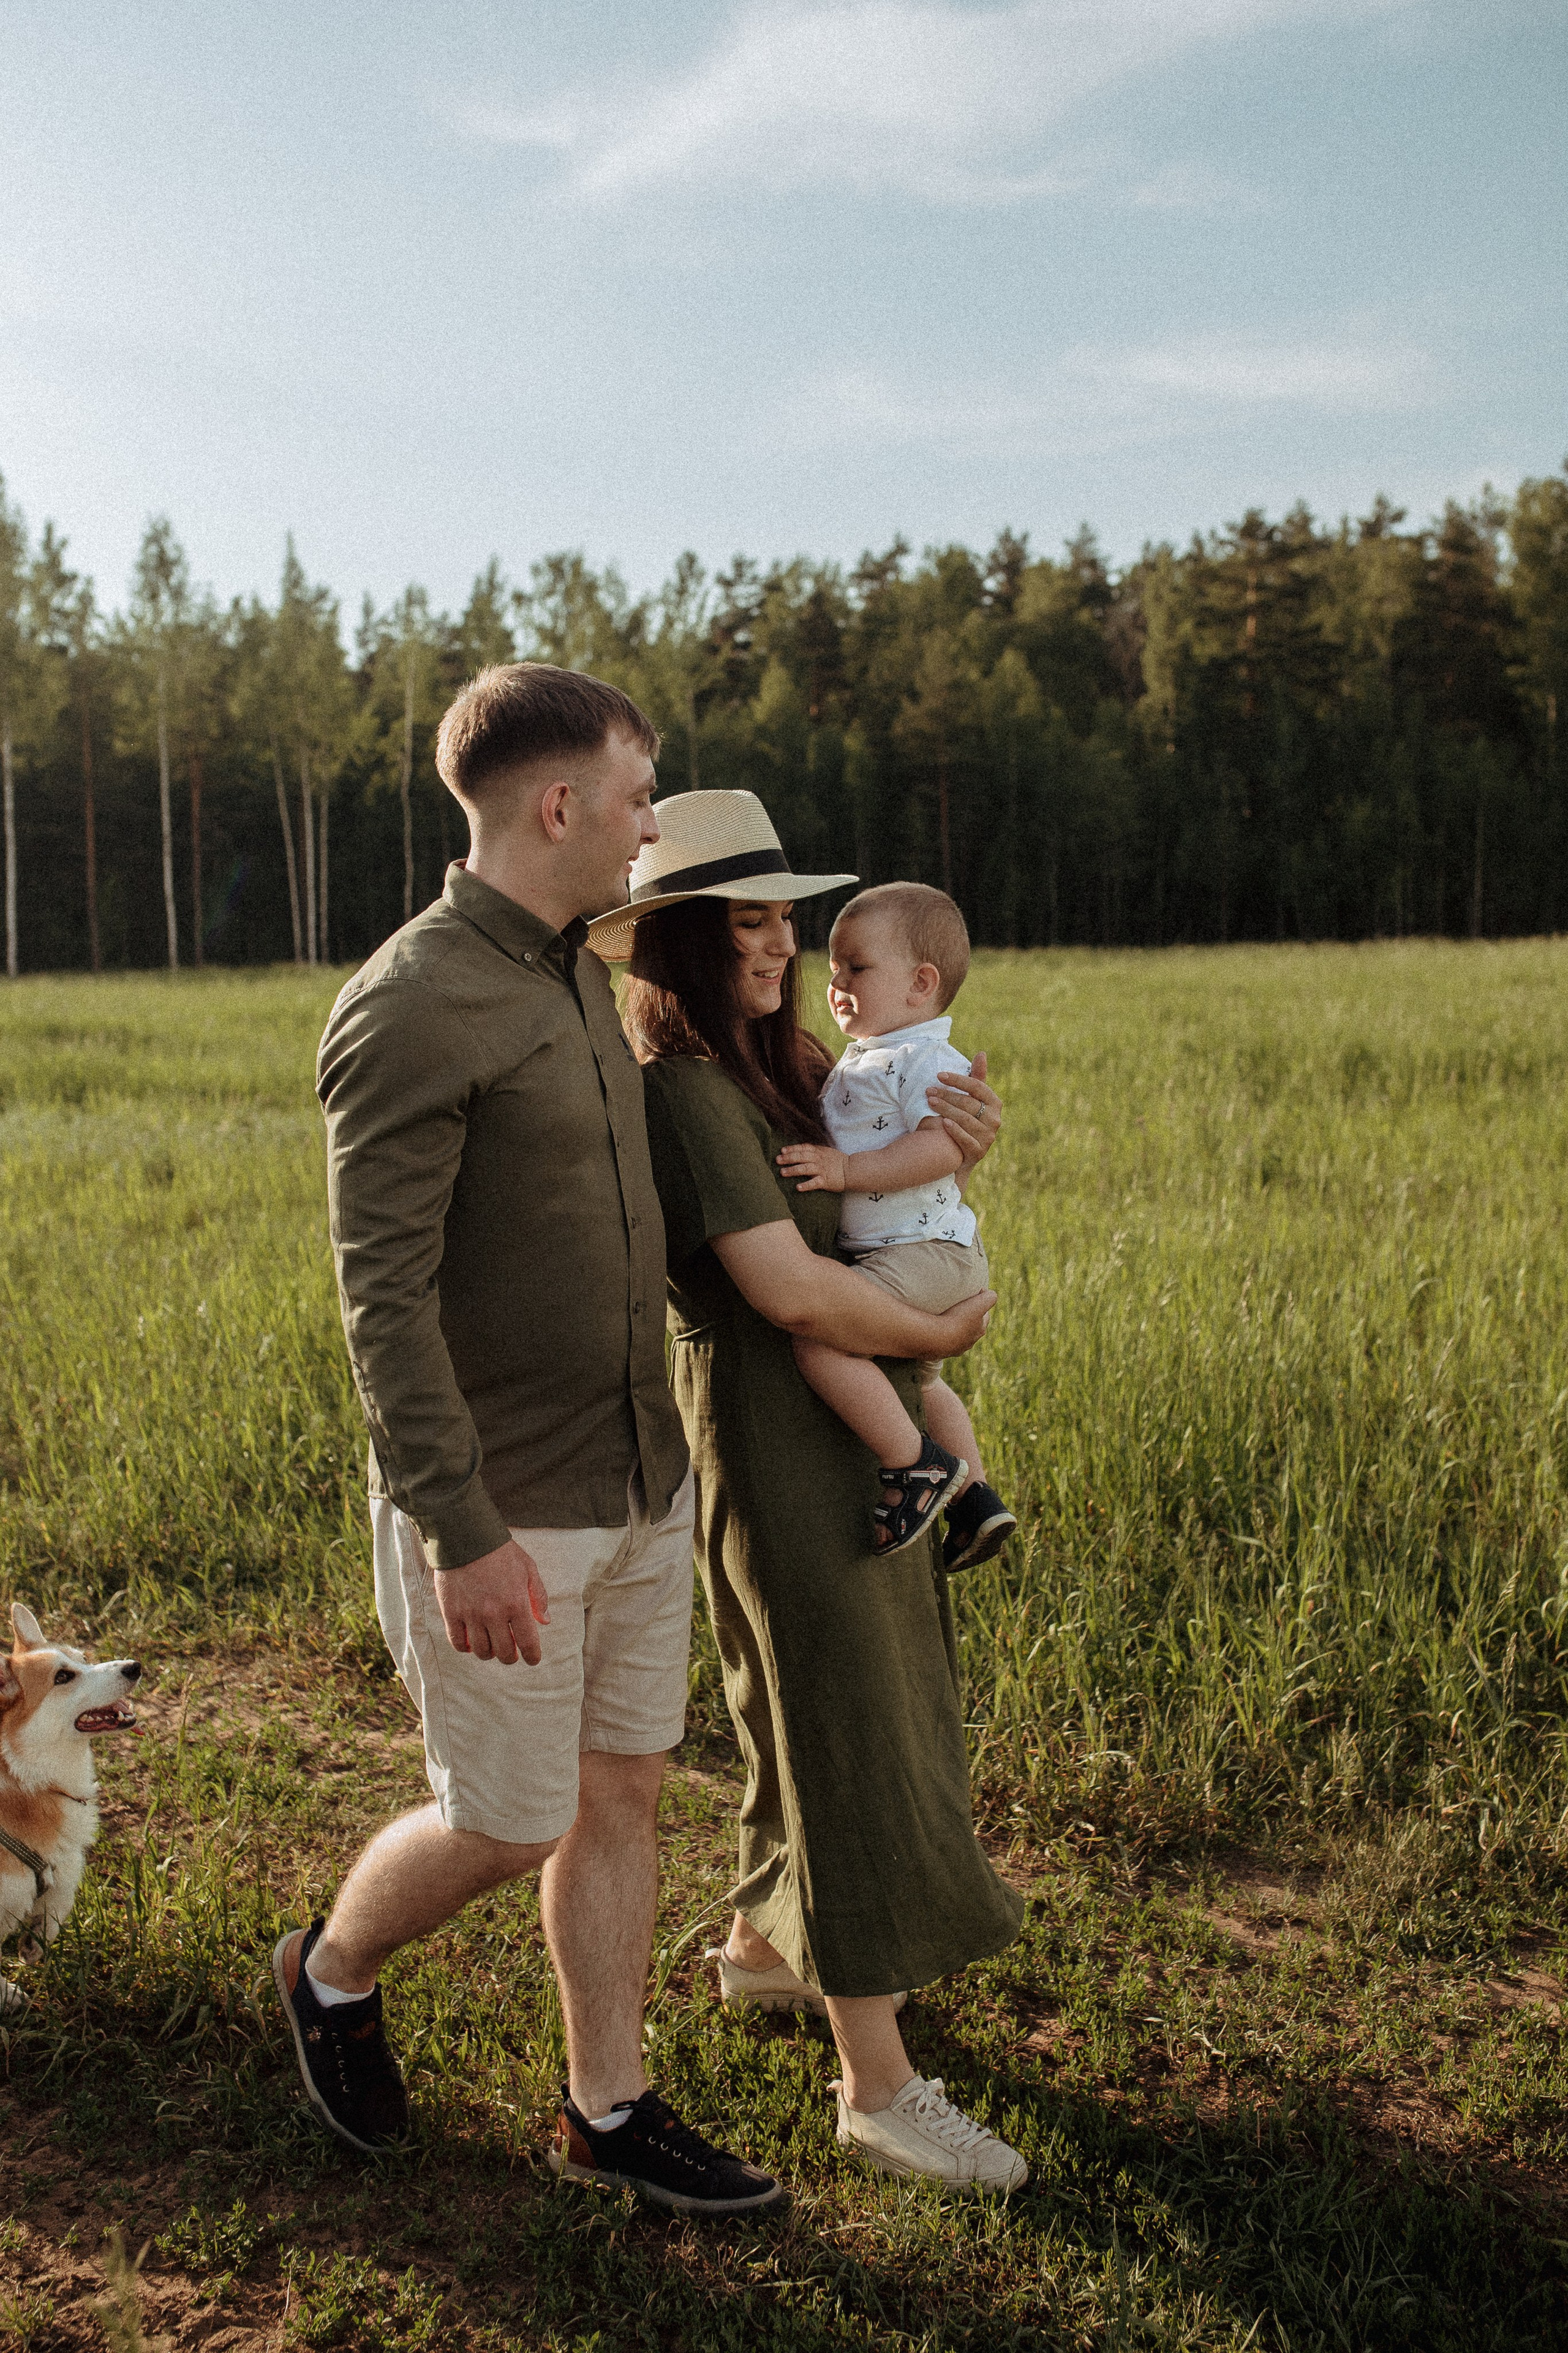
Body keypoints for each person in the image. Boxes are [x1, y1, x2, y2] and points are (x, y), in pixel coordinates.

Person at [273, 665, 788, 2215]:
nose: (650, 822)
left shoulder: (577, 969)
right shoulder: (415, 997)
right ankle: (333, 1965)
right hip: (504, 1503)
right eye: (639, 793)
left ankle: (608, 2104)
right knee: (507, 1817)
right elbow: (382, 1298)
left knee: (622, 1789)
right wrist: (458, 1524)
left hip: (638, 1471)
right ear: (558, 805)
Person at [590, 790, 1030, 2195]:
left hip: (842, 1426)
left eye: (786, 913)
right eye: (747, 919)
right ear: (680, 940)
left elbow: (876, 1200)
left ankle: (764, 1950)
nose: (780, 940)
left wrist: (953, 1147)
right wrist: (945, 1335)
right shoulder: (687, 1088)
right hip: (781, 1443)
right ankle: (876, 2084)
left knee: (807, 1707)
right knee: (835, 1716)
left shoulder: (779, 1066)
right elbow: (781, 1287)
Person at [774, 881, 1017, 1573]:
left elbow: (946, 1146)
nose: (837, 984)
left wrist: (847, 1173)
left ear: (921, 984)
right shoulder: (872, 1055)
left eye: (857, 968)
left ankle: (912, 1465)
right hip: (923, 1251)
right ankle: (973, 1500)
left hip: (922, 1252)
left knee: (819, 1343)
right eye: (832, 971)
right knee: (922, 1382)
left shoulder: (922, 1060)